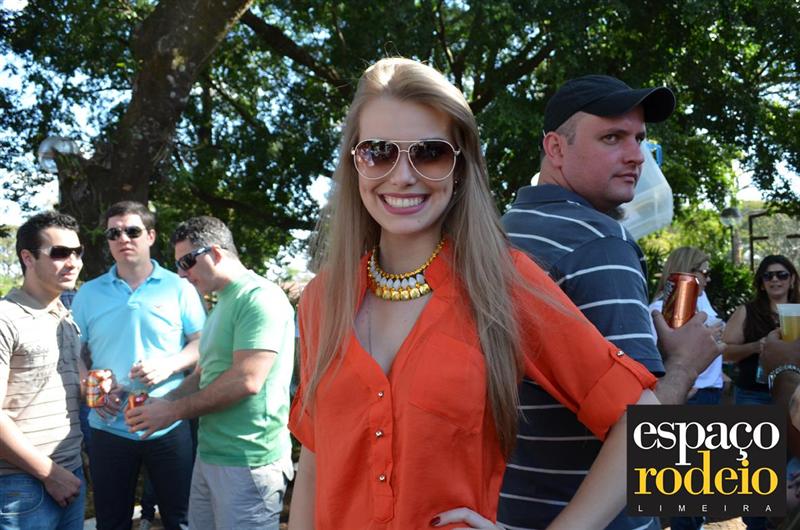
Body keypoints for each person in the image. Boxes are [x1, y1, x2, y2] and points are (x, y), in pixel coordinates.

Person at [284, 58, 718, 530]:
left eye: (430, 152)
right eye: (379, 152)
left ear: (461, 165)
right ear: (355, 162)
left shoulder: (503, 283)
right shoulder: (323, 299)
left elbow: (640, 420)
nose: (403, 175)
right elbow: (315, 463)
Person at [498, 74, 722, 530]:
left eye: (639, 138)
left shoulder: (500, 230)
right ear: (556, 148)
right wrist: (684, 364)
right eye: (612, 138)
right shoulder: (601, 244)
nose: (637, 155)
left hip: (506, 509)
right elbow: (641, 432)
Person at [125, 216, 295, 530]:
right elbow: (204, 373)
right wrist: (164, 401)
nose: (181, 273)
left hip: (249, 460)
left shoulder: (260, 298)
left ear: (215, 253)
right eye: (177, 265)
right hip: (210, 454)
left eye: (186, 262)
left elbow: (246, 380)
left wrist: (172, 412)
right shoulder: (222, 302)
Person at [72, 201, 206, 530]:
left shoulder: (180, 287)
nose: (123, 239)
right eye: (113, 233)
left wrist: (169, 366)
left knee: (181, 519)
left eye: (132, 231)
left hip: (169, 420)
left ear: (150, 236)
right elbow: (73, 352)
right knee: (111, 522)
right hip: (108, 426)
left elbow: (202, 342)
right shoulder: (88, 293)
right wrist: (89, 387)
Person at [0, 211, 85, 529]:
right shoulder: (5, 319)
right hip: (20, 486)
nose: (73, 262)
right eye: (60, 252)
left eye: (77, 252)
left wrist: (95, 387)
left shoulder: (64, 314)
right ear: (28, 258)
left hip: (70, 475)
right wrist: (50, 474)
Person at [649, 247, 724, 530]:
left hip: (709, 393)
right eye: (703, 272)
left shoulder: (701, 299)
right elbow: (656, 359)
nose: (707, 278)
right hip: (689, 396)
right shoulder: (662, 310)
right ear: (686, 271)